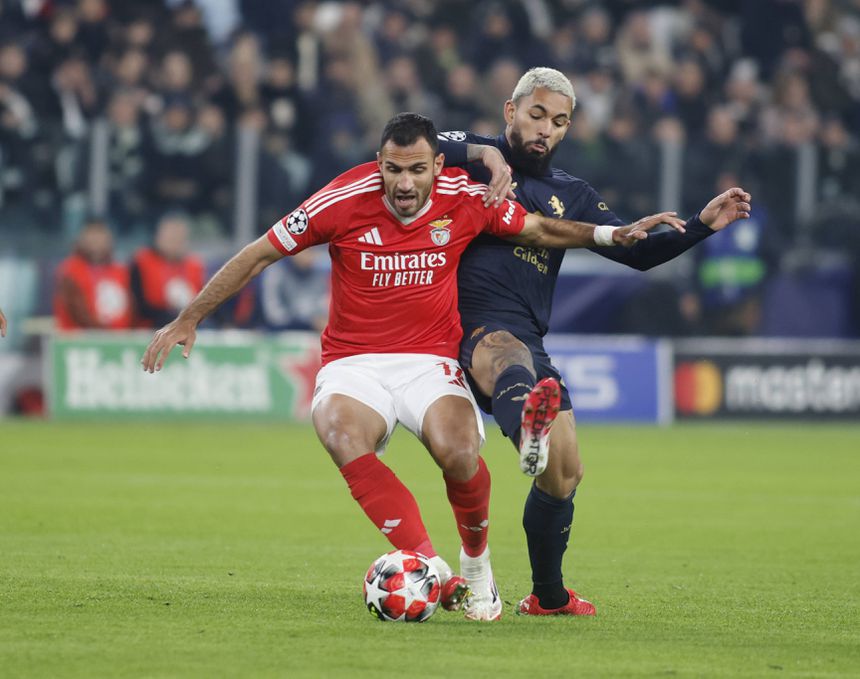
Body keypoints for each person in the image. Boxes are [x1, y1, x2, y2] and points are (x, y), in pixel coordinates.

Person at [141, 112, 680, 621]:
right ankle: (435, 569)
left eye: (416, 170)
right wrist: (190, 318)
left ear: (437, 167)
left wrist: (610, 234)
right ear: (379, 164)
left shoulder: (465, 197)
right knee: (337, 431)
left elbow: (538, 230)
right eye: (393, 170)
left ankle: (477, 568)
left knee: (459, 450)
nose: (403, 184)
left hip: (429, 360)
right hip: (354, 361)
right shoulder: (342, 198)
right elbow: (260, 252)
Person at [437, 67, 752, 616]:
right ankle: (525, 436)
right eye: (536, 115)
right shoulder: (470, 159)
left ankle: (548, 597)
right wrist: (486, 157)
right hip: (471, 326)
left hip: (531, 338)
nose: (546, 130)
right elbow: (414, 144)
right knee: (508, 357)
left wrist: (701, 224)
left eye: (559, 122)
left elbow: (635, 250)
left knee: (565, 473)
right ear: (511, 112)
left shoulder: (572, 195)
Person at [54, 219, 133, 331]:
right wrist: (101, 332)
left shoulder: (121, 270)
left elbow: (131, 307)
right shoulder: (69, 269)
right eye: (92, 235)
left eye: (100, 235)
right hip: (80, 341)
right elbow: (76, 310)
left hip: (119, 341)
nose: (96, 240)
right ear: (82, 239)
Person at [130, 214, 205, 328]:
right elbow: (138, 305)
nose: (174, 243)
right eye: (170, 238)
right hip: (151, 325)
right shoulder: (142, 262)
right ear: (158, 237)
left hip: (190, 324)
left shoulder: (194, 265)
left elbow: (204, 301)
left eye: (178, 239)